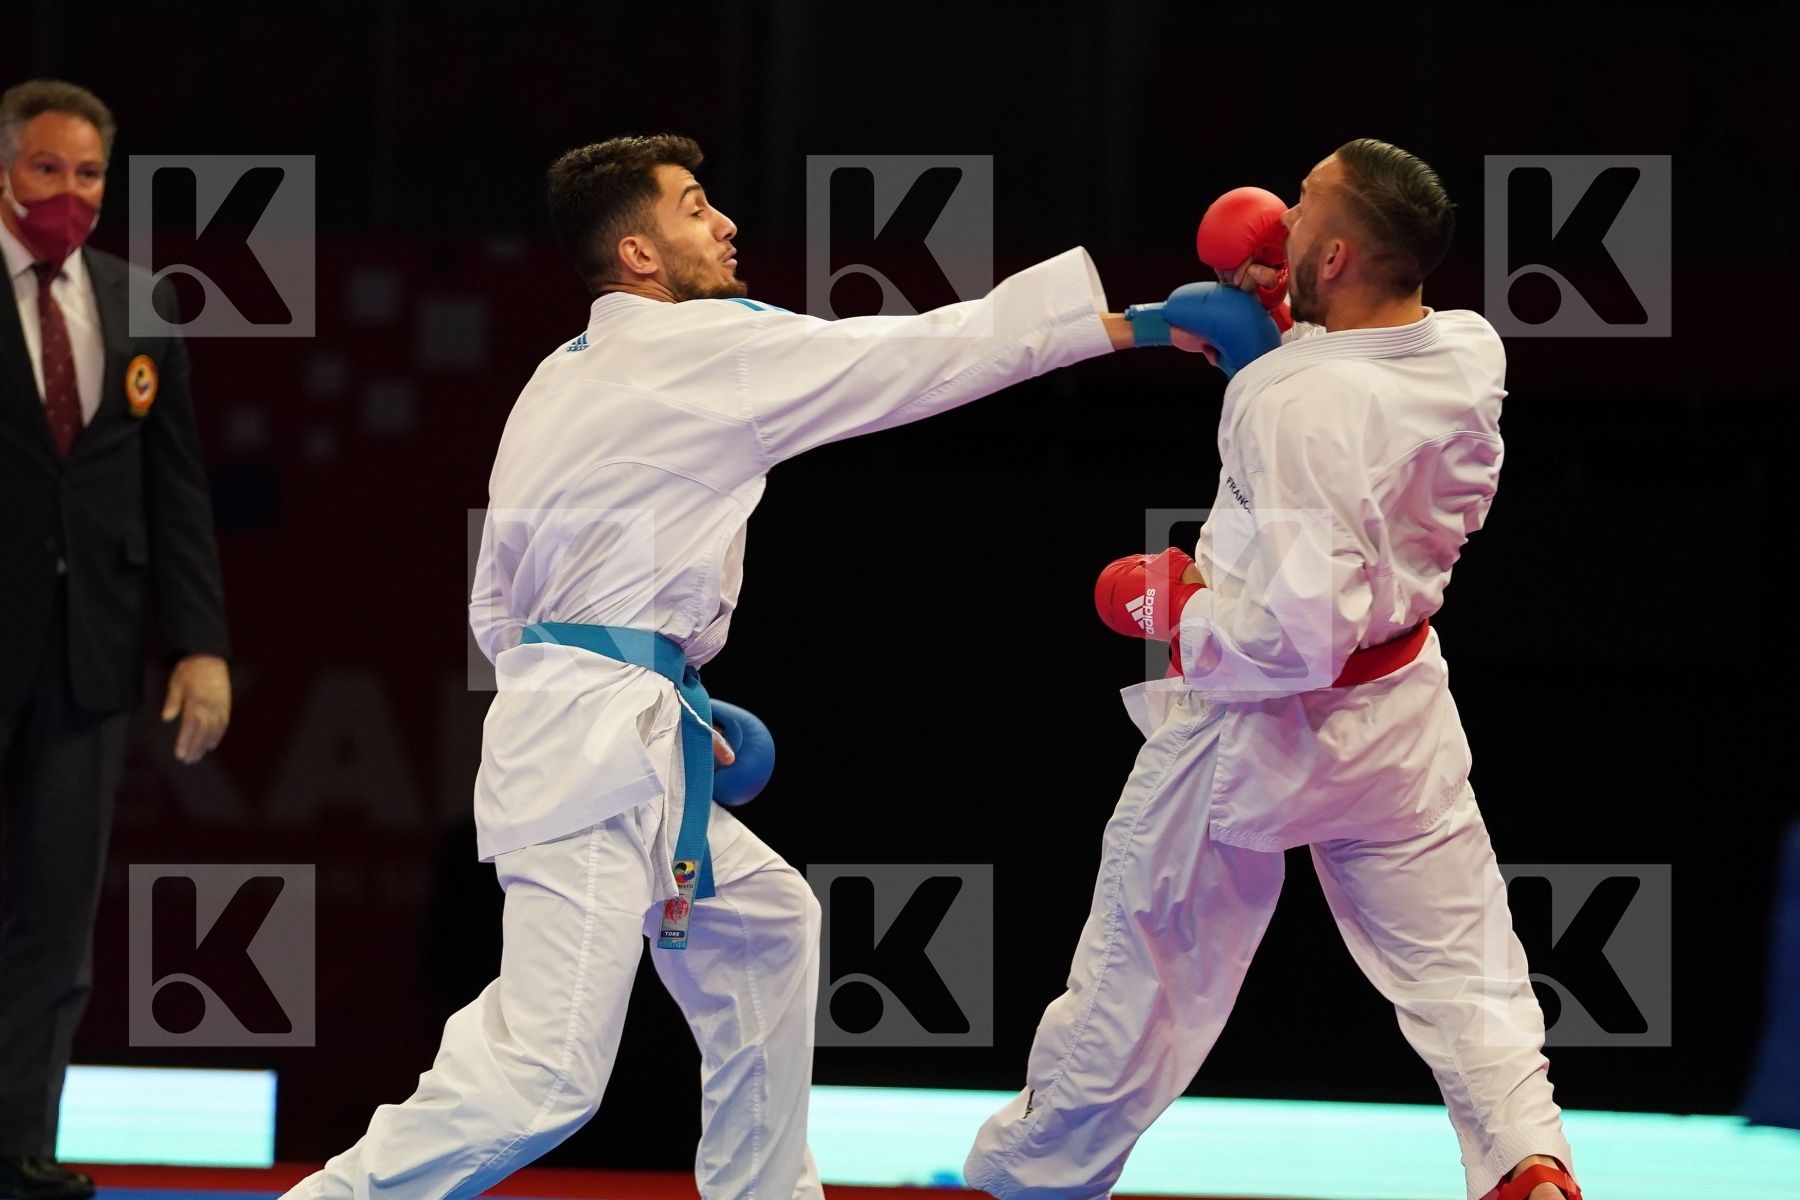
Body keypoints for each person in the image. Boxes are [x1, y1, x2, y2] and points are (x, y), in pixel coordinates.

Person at [284, 133, 1197, 1200]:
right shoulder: (701, 345)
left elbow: (502, 606)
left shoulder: (562, 371)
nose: (723, 224)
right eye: (693, 206)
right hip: (590, 751)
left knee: (766, 930)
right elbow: (915, 360)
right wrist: (1137, 324)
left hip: (596, 722)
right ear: (637, 253)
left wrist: (652, 688)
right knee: (539, 1079)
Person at [964, 139, 1583, 1200]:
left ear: (1337, 255)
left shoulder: (1289, 400)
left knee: (1143, 988)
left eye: (1302, 208)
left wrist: (1169, 601)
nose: (1279, 218)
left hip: (1258, 729)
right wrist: (1281, 338)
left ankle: (1026, 1185)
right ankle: (1529, 1163)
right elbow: (1353, 420)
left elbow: (1298, 635)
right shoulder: (1471, 349)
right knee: (1465, 971)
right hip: (1400, 723)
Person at [0, 80, 232, 1200]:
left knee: (55, 913)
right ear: (6, 170)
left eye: (88, 174)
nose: (70, 193)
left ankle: (18, 1153)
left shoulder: (139, 307)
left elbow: (175, 492)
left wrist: (200, 646)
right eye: (49, 170)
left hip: (88, 653)